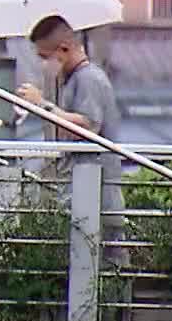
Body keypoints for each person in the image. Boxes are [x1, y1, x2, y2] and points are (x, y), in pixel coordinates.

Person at [16, 15, 128, 266]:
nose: (44, 65)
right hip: (87, 191)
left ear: (64, 49)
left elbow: (87, 126)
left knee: (103, 265)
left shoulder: (88, 79)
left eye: (46, 57)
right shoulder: (76, 80)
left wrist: (42, 105)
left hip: (97, 194)